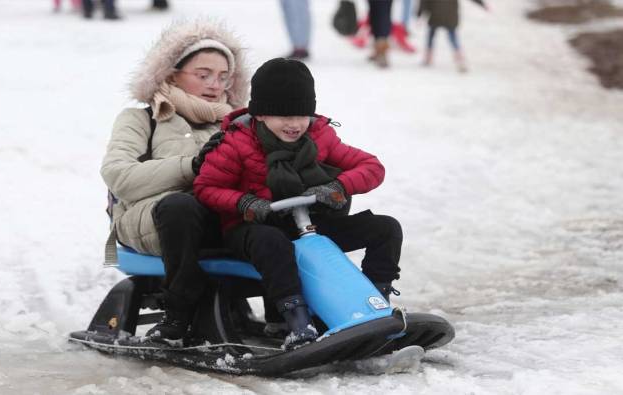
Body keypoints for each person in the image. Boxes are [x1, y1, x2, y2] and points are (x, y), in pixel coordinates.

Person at [194, 58, 403, 349]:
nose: (294, 125)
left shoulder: (320, 136)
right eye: (283, 116)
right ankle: (296, 320)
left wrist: (338, 186)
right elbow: (206, 187)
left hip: (308, 224)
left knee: (385, 228)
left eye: (301, 115)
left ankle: (375, 305)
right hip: (254, 226)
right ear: (262, 115)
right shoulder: (235, 144)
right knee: (273, 241)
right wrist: (245, 202)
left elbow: (371, 166)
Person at [100, 21, 249, 344]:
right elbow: (119, 176)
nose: (215, 84)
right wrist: (191, 166)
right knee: (181, 206)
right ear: (170, 74)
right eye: (203, 74)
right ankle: (179, 313)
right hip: (151, 219)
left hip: (215, 217)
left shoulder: (235, 126)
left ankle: (297, 312)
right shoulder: (141, 119)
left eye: (224, 77)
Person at [417, 0, 487, 72]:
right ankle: (460, 59)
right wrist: (482, 4)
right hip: (450, 14)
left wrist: (419, 14)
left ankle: (428, 58)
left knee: (431, 36)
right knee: (452, 37)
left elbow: (424, 2)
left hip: (435, 14)